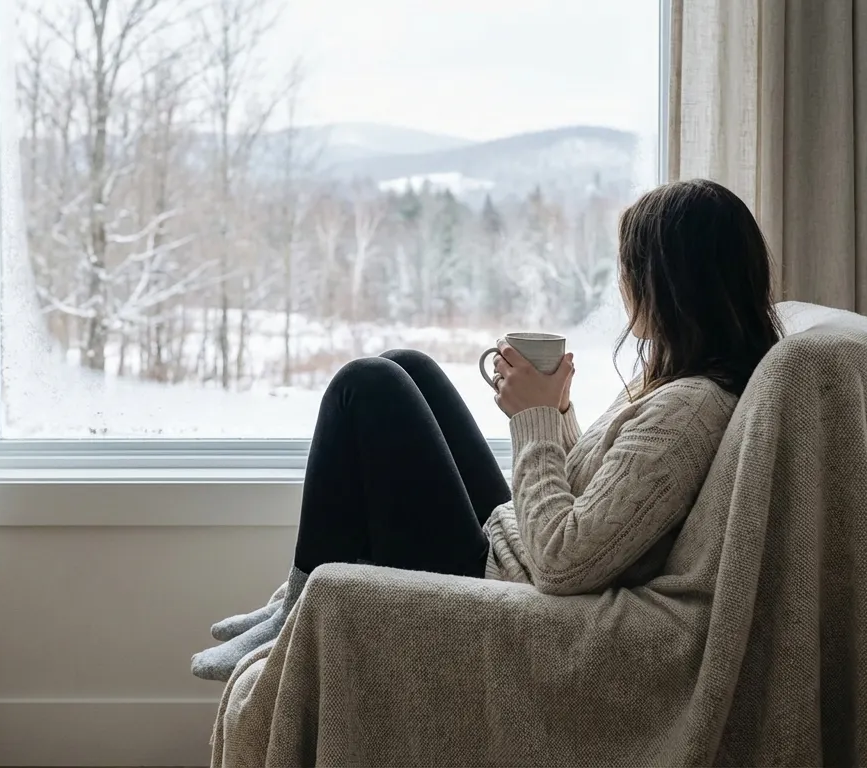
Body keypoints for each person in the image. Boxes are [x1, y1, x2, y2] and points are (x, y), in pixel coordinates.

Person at [191, 179, 785, 682]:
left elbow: (564, 562)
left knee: (366, 386)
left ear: (671, 285)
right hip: (512, 546)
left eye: (630, 268)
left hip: (500, 586)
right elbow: (604, 496)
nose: (622, 285)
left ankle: (297, 614)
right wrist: (556, 410)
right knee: (408, 365)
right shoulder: (686, 384)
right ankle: (297, 599)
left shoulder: (688, 412)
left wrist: (533, 419)